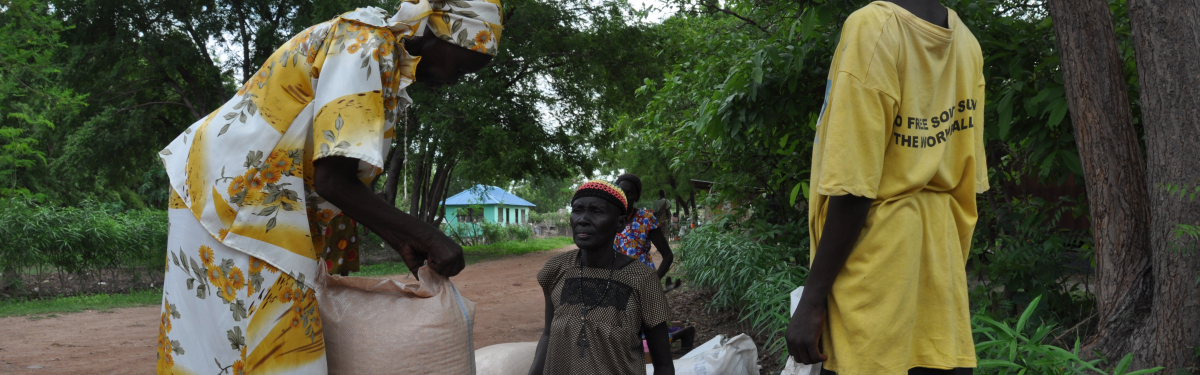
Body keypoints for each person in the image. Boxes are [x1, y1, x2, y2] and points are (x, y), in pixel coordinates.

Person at [154, 1, 504, 373]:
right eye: (462, 66)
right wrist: (427, 236)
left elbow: (335, 177)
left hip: (247, 200)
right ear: (440, 31)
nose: (454, 79)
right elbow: (333, 180)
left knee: (243, 345)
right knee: (268, 346)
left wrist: (402, 239)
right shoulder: (364, 45)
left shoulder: (379, 51)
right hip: (234, 201)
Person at [784, 1, 988, 375]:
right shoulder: (966, 44)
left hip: (876, 269)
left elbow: (853, 185)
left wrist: (812, 300)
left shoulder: (873, 28)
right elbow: (967, 180)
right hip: (940, 269)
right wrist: (945, 269)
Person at [527, 180, 675, 375]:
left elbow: (663, 365)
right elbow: (548, 334)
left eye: (596, 212)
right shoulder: (556, 270)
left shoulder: (643, 279)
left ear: (620, 223)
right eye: (578, 210)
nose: (583, 219)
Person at [613, 174, 674, 280]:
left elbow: (668, 256)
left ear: (637, 196)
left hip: (641, 282)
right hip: (615, 284)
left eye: (630, 193)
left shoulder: (646, 219)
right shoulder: (608, 219)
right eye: (621, 192)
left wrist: (653, 282)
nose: (625, 197)